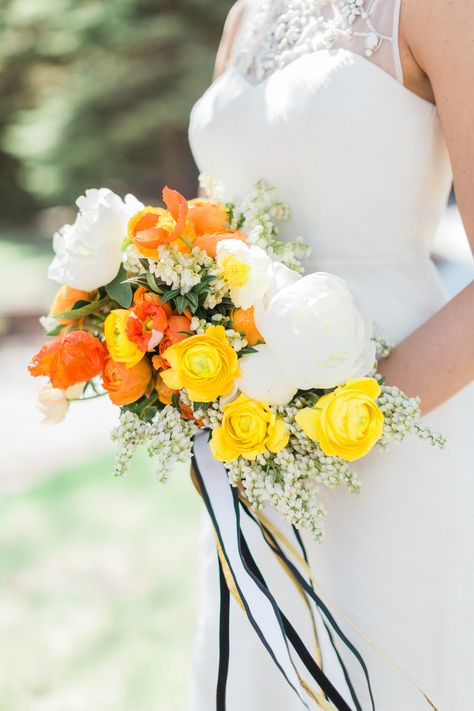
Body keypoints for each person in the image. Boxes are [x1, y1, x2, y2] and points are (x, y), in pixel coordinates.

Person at [188, 1, 474, 708]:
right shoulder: (245, 15)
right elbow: (212, 225)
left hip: (399, 426)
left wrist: (340, 420)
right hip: (248, 442)